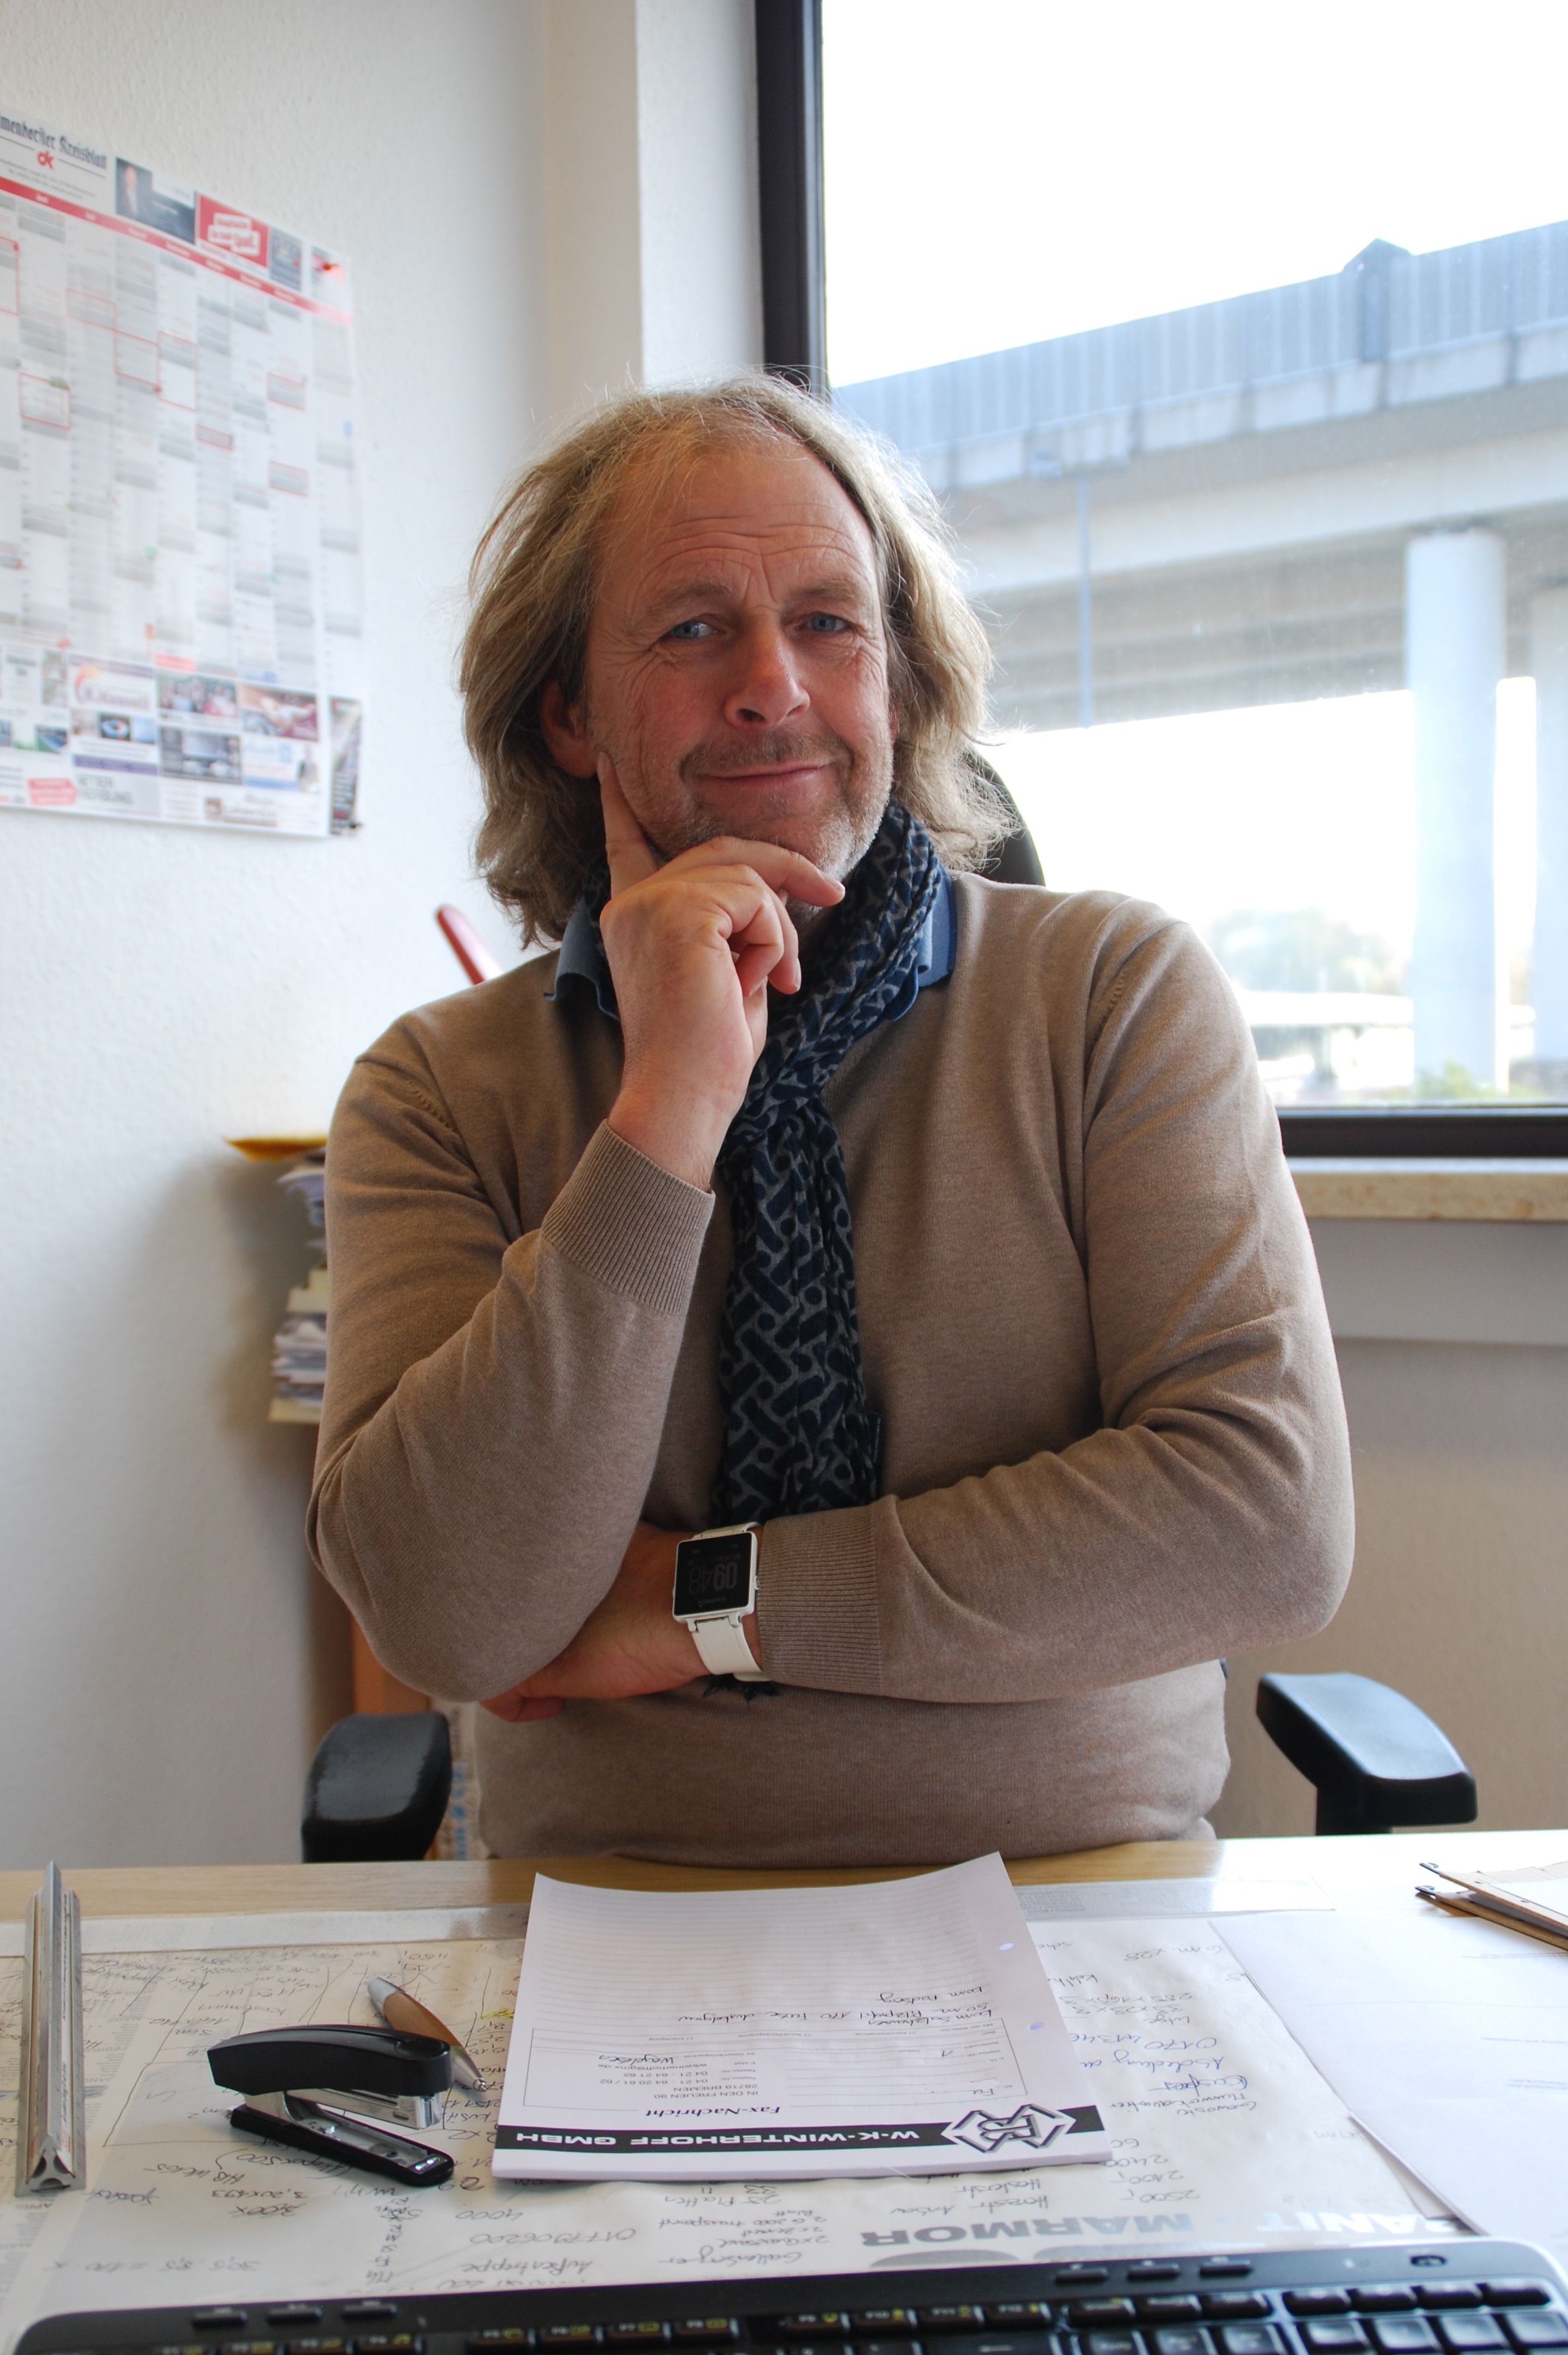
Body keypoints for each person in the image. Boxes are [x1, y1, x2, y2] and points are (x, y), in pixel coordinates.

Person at [309, 376, 1352, 1867]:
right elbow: (447, 1611)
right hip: (618, 1911)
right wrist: (667, 1114)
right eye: (692, 628)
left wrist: (697, 1605)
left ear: (901, 683)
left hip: (1081, 1897)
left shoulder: (1114, 995)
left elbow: (1265, 1522)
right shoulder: (437, 1087)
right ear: (569, 713)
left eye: (827, 621)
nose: (772, 686)